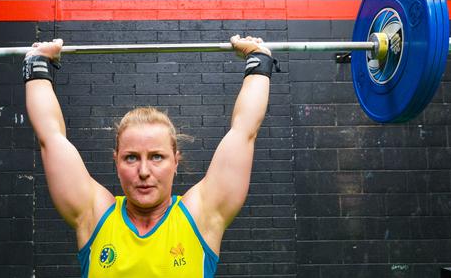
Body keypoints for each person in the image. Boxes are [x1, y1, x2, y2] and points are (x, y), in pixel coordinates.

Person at [24, 35, 274, 277]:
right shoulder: (94, 215)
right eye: (131, 158)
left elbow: (244, 131)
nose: (144, 171)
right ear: (116, 161)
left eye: (157, 157)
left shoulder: (202, 216)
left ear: (175, 161)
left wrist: (258, 60)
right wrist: (37, 63)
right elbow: (50, 136)